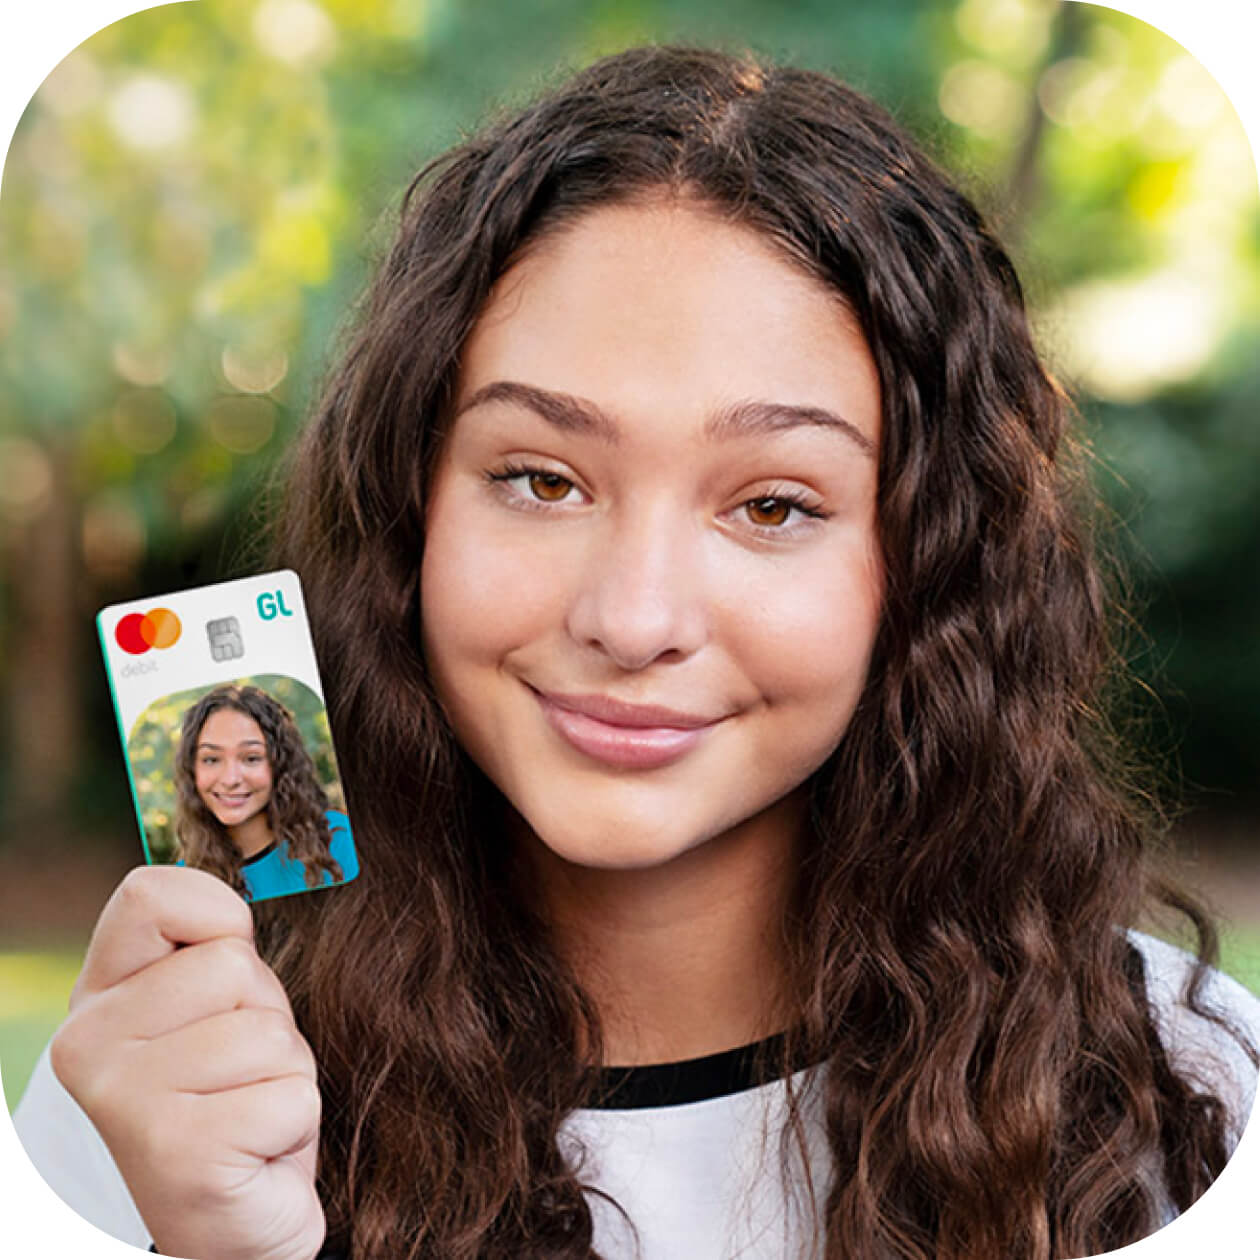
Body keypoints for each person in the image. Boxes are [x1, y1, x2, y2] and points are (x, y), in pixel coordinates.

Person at [13, 44, 1260, 1260]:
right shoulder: (160, 1098)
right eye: (542, 479)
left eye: (772, 505)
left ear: (930, 560)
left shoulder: (1191, 1103)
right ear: (411, 509)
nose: (635, 616)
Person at [171, 684, 356, 903]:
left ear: (280, 764)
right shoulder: (183, 882)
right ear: (192, 770)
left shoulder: (339, 840)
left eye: (251, 758)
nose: (231, 779)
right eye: (211, 759)